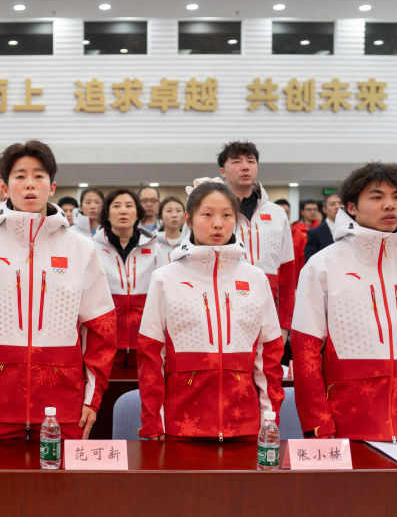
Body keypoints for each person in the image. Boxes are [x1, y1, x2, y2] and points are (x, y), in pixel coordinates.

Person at [0, 140, 116, 440]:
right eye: (20, 176)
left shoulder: (81, 249)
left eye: (39, 176)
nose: (29, 184)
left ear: (52, 187)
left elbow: (101, 330)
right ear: (4, 187)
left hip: (63, 405)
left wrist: (92, 398)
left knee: (60, 473)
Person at [292, 163, 397, 440]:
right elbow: (305, 351)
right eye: (377, 197)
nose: (390, 205)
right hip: (345, 424)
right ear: (351, 207)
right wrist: (319, 423)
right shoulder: (322, 266)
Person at [138, 179, 284, 440]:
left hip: (246, 426)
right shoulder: (165, 278)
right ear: (189, 219)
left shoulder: (255, 279)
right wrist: (153, 421)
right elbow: (151, 355)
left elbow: (269, 356)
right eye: (207, 214)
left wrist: (269, 420)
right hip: (182, 425)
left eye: (227, 215)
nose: (218, 224)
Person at [218, 141, 296, 335]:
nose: (245, 167)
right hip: (223, 306)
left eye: (251, 161)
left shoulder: (277, 213)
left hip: (267, 310)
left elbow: (287, 272)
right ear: (223, 171)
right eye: (237, 161)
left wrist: (285, 324)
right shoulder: (211, 212)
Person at [92, 189, 159, 379]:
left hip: (145, 339)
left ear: (137, 214)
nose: (123, 211)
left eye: (129, 206)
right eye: (116, 206)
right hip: (105, 340)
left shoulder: (154, 248)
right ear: (107, 214)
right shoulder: (91, 248)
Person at [304, 192, 341, 263]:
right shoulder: (314, 233)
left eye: (340, 203)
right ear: (324, 209)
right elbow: (310, 260)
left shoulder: (352, 230)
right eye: (332, 204)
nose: (337, 207)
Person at [291, 199, 322, 272]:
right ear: (302, 212)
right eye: (309, 209)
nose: (312, 212)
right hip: (301, 268)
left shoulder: (321, 229)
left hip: (318, 268)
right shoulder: (295, 229)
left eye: (315, 209)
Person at [155, 196, 186, 263]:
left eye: (178, 211)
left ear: (185, 216)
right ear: (160, 216)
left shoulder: (189, 241)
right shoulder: (153, 242)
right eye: (169, 211)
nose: (174, 215)